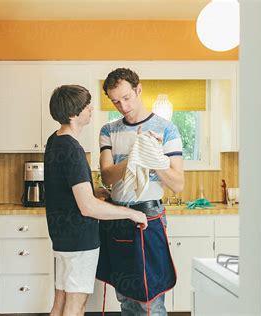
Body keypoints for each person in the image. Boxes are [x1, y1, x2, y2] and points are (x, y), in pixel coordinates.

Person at [44, 84, 148, 316]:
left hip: (62, 238)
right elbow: (87, 207)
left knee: (61, 300)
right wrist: (132, 213)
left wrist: (96, 193)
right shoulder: (73, 149)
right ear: (73, 114)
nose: (91, 108)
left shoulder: (55, 141)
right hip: (79, 241)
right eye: (86, 105)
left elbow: (67, 191)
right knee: (76, 305)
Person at [97, 68, 184, 315]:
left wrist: (153, 158)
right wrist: (134, 157)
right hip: (118, 217)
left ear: (139, 89)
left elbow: (177, 184)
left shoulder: (167, 130)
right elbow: (106, 175)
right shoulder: (108, 130)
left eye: (126, 98)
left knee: (150, 299)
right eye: (115, 101)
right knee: (125, 297)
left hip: (150, 218)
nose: (122, 106)